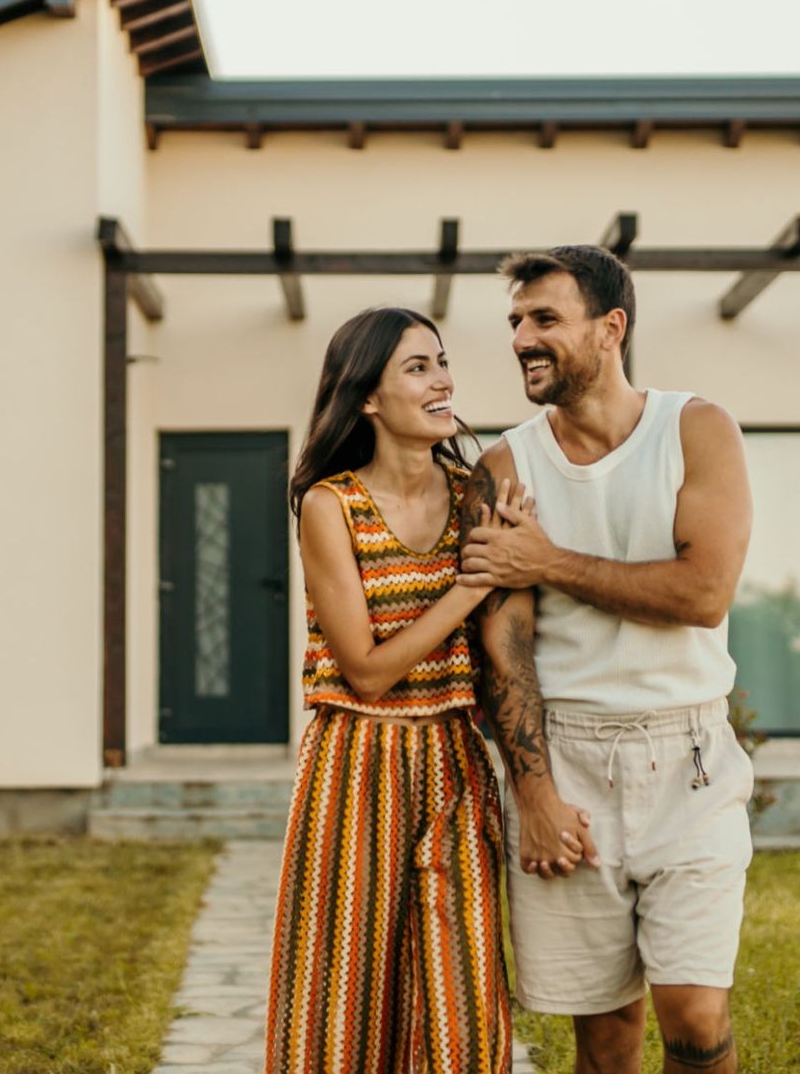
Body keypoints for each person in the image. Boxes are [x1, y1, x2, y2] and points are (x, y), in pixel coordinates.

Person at [459, 245, 756, 1074]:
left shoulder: (696, 429)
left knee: (695, 1017)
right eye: (516, 321)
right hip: (569, 762)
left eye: (545, 318)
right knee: (605, 1033)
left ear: (609, 328)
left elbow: (703, 594)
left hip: (689, 758)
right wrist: (534, 790)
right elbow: (504, 648)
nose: (522, 337)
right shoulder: (504, 468)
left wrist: (548, 562)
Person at [265, 305, 524, 1074]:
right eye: (418, 367)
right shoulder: (328, 505)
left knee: (465, 1009)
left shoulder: (476, 492)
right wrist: (473, 586)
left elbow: (509, 637)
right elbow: (367, 670)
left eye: (441, 362)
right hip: (352, 767)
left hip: (452, 761)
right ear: (367, 398)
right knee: (342, 1001)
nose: (442, 379)